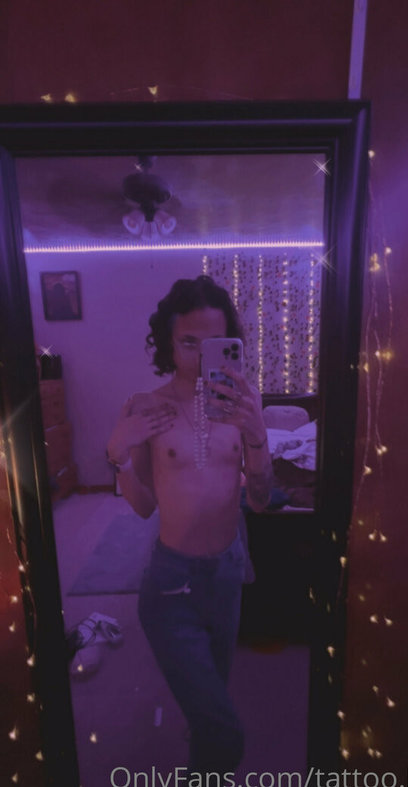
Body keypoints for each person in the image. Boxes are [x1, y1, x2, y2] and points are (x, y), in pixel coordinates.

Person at [106, 275, 272, 779]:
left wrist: (258, 436)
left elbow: (260, 501)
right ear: (168, 343)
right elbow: (142, 507)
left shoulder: (243, 403)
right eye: (188, 343)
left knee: (208, 711)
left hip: (227, 575)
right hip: (171, 587)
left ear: (231, 345)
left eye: (214, 344)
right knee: (225, 732)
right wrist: (118, 456)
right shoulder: (145, 408)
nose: (201, 358)